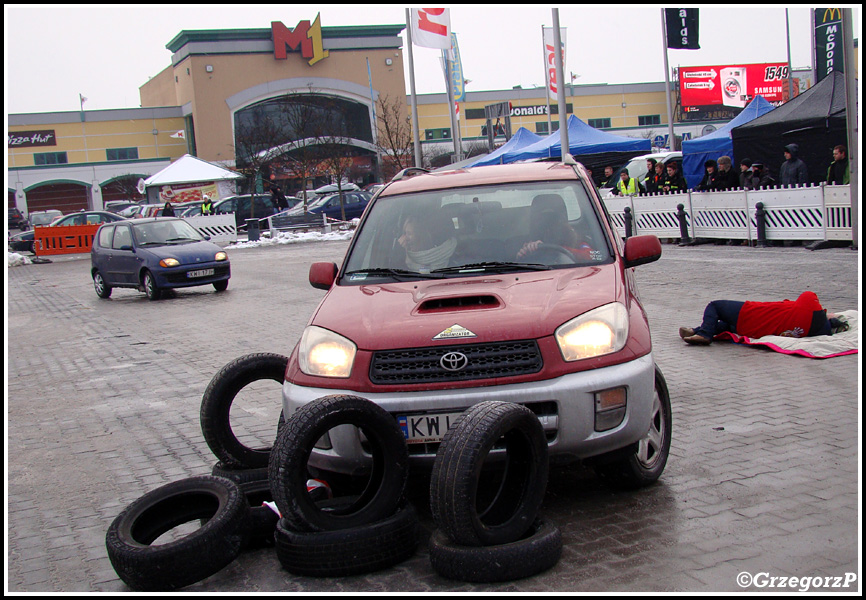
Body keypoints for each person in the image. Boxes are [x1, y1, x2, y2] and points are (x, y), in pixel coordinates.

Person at [678, 291, 842, 345]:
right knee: (726, 324)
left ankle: (705, 334)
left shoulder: (810, 310)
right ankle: (695, 330)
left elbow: (808, 295)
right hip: (755, 330)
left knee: (715, 306)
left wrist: (825, 313)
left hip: (752, 313)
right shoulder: (811, 331)